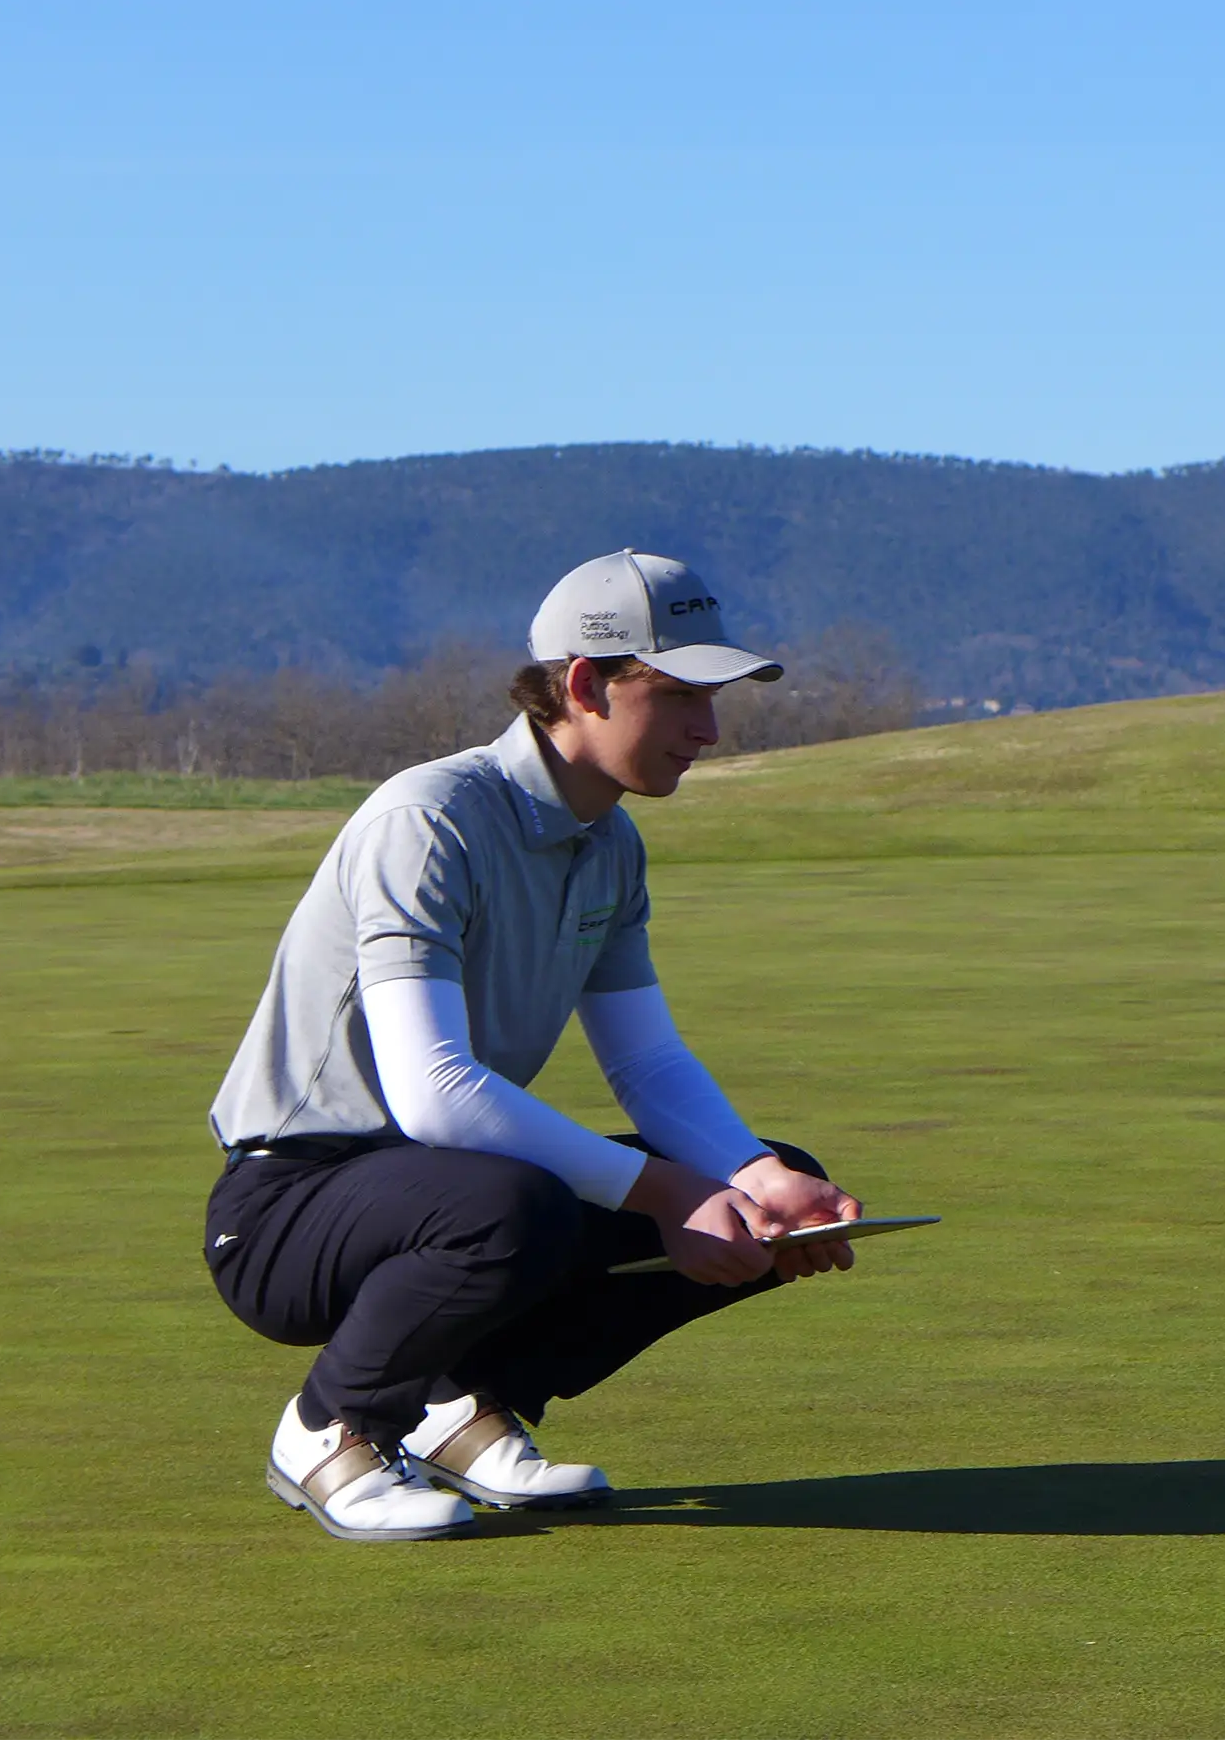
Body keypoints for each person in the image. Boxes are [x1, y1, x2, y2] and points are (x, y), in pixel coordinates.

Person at [202, 548, 863, 1541]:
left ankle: (461, 1407)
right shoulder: (430, 820)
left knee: (755, 1197)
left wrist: (753, 1175)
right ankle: (328, 1428)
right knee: (521, 1204)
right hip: (290, 1210)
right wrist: (667, 1192)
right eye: (681, 695)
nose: (709, 730)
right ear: (587, 685)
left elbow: (644, 1064)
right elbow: (432, 1092)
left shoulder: (610, 844)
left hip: (442, 1190)